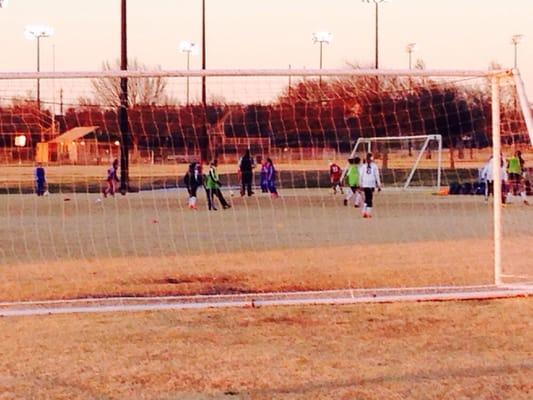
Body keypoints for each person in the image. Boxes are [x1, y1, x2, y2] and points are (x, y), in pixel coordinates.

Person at [359, 153, 382, 218]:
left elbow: (360, 176)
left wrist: (360, 184)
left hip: (365, 184)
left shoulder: (363, 166)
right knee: (370, 199)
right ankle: (368, 213)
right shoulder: (374, 166)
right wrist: (379, 185)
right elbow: (377, 175)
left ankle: (364, 212)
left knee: (367, 198)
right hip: (371, 184)